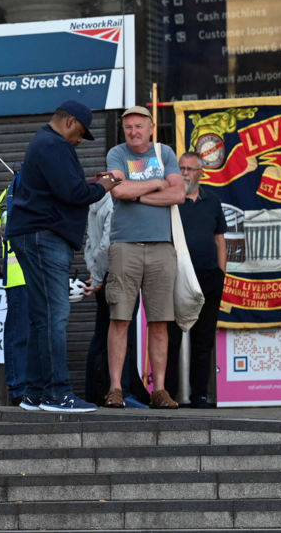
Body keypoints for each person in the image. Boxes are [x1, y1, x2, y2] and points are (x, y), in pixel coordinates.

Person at [6, 100, 118, 412]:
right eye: (80, 133)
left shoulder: (43, 141)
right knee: (55, 316)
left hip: (33, 235)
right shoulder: (55, 145)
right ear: (70, 122)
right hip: (46, 237)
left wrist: (93, 182)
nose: (80, 140)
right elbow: (74, 194)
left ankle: (34, 393)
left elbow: (64, 187)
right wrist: (105, 185)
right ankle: (58, 394)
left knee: (41, 318)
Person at [103, 106, 186, 409]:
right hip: (124, 246)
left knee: (160, 321)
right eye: (128, 127)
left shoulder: (165, 153)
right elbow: (117, 190)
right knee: (120, 318)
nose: (133, 132)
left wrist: (136, 193)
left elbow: (178, 194)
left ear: (151, 127)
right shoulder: (116, 153)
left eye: (139, 126)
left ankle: (159, 390)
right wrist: (156, 183)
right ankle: (115, 388)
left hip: (162, 247)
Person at [164, 151, 227, 409]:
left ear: (201, 173)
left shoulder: (213, 201)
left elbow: (220, 240)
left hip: (209, 280)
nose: (185, 173)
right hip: (176, 280)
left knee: (203, 340)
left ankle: (199, 395)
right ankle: (168, 394)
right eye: (181, 168)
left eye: (190, 169)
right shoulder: (170, 200)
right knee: (171, 339)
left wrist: (221, 274)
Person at [82, 193, 149, 408]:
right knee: (124, 335)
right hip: (118, 272)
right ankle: (124, 392)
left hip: (101, 274)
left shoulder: (95, 201)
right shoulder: (115, 202)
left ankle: (92, 394)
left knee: (102, 337)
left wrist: (94, 272)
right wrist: (100, 276)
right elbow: (107, 243)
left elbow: (90, 243)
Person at [0, 182, 29, 406]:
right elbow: (8, 228)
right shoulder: (12, 192)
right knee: (19, 334)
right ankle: (19, 389)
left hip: (38, 274)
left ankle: (33, 387)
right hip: (19, 275)